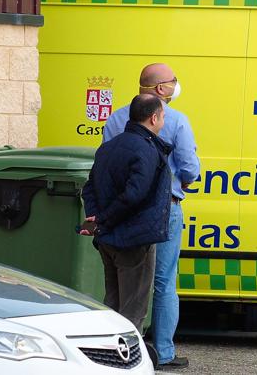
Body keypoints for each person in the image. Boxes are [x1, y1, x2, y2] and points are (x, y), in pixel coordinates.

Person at [103, 63, 201, 370]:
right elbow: (190, 169)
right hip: (164, 207)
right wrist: (182, 180)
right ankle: (163, 352)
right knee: (163, 281)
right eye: (173, 81)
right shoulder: (177, 120)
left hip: (122, 208)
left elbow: (106, 160)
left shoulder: (117, 118)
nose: (176, 85)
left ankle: (117, 348)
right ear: (161, 90)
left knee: (122, 283)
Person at [81, 93, 174, 333]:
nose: (163, 121)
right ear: (153, 118)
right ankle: (125, 361)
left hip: (107, 238)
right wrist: (104, 220)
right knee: (133, 309)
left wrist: (96, 218)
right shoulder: (147, 149)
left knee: (112, 303)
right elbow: (135, 194)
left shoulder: (109, 147)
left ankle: (102, 356)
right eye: (162, 116)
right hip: (134, 238)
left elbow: (89, 187)